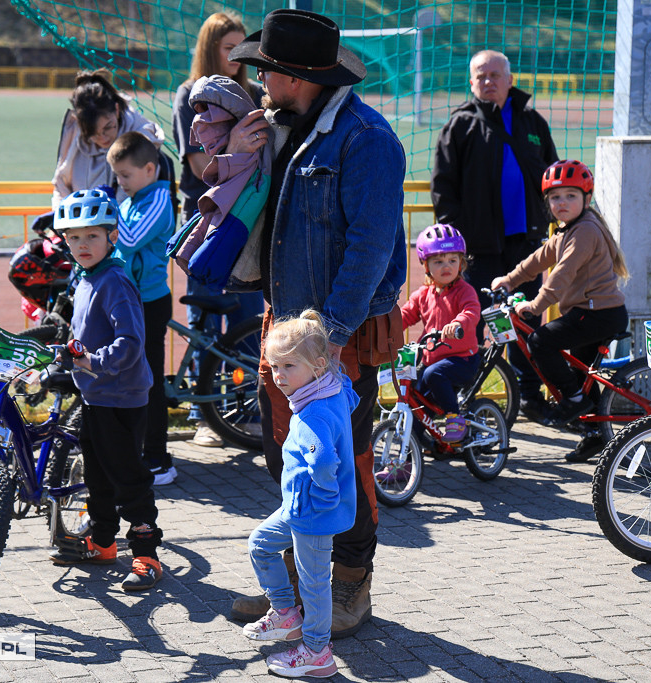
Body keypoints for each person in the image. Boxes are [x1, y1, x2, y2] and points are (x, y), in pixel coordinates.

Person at [224, 8, 408, 637]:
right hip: (289, 332)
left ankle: (349, 582)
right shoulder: (283, 128)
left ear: (297, 78)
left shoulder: (367, 139)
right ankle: (299, 584)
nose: (260, 85)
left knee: (346, 462)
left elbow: (369, 249)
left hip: (336, 337)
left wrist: (327, 336)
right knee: (287, 458)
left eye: (267, 73)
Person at [431, 49, 559, 422]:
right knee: (474, 323)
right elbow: (443, 188)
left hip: (525, 247)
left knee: (526, 321)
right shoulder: (460, 125)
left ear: (509, 80)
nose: (488, 82)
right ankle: (454, 398)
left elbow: (551, 177)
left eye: (494, 75)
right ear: (471, 83)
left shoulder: (533, 122)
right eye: (480, 76)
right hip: (479, 249)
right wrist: (458, 241)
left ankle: (530, 397)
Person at [48, 188, 164, 592]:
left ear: (112, 236)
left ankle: (147, 554)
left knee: (128, 477)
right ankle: (102, 542)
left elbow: (131, 342)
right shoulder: (85, 277)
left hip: (121, 397)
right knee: (97, 475)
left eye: (92, 236)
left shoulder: (114, 279)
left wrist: (94, 362)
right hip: (96, 396)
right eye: (74, 237)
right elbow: (82, 333)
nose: (82, 244)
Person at [241, 310, 357, 679]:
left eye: (289, 366)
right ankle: (285, 614)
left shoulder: (313, 415)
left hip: (312, 513)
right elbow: (351, 394)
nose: (278, 376)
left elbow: (323, 462)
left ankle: (317, 652)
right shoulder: (329, 388)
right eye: (274, 366)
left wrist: (323, 499)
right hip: (298, 509)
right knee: (260, 543)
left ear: (317, 365)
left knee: (314, 583)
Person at [490, 160, 630, 462]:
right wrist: (509, 280)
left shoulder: (585, 232)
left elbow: (560, 275)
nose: (562, 203)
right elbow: (537, 260)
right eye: (555, 197)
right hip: (593, 312)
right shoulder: (568, 231)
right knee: (581, 373)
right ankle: (594, 434)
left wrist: (535, 306)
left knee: (540, 341)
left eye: (570, 196)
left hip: (599, 313)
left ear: (586, 199)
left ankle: (574, 401)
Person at [172, 12, 266, 447]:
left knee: (247, 317)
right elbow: (197, 165)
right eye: (227, 47)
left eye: (240, 47)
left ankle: (241, 407)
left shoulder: (255, 94)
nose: (235, 55)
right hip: (209, 219)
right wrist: (235, 149)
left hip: (247, 219)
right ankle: (201, 414)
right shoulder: (191, 95)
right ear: (209, 48)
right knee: (205, 313)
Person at [106, 131, 176, 486]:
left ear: (150, 169)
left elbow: (130, 240)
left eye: (125, 176)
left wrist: (108, 213)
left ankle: (159, 459)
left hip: (149, 302)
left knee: (149, 383)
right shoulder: (135, 198)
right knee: (132, 379)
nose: (120, 183)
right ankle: (136, 449)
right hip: (131, 300)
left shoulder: (160, 199)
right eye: (117, 176)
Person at [395, 223, 480, 450]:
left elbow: (471, 311)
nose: (446, 266)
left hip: (462, 360)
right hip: (433, 359)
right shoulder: (423, 294)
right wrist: (387, 327)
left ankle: (455, 419)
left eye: (453, 260)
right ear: (425, 265)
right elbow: (406, 314)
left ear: (461, 263)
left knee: (433, 374)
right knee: (414, 400)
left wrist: (457, 323)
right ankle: (411, 453)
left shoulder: (464, 291)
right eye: (438, 261)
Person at [52, 69, 164, 208]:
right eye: (92, 133)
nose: (102, 138)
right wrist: (59, 221)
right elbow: (61, 184)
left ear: (117, 110)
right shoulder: (75, 136)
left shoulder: (141, 139)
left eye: (107, 128)